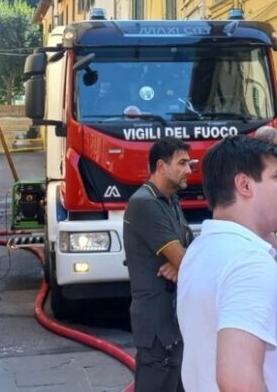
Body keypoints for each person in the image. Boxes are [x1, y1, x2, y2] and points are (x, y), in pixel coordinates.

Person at [177, 135, 277, 391]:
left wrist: (264, 230)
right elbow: (239, 381)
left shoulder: (201, 250)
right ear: (244, 185)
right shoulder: (248, 261)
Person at [122, 137, 193, 392]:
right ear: (161, 167)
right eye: (182, 163)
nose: (189, 170)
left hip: (174, 322)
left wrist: (180, 263)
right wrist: (183, 261)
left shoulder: (171, 201)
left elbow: (190, 252)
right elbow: (188, 260)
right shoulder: (145, 204)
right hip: (157, 329)